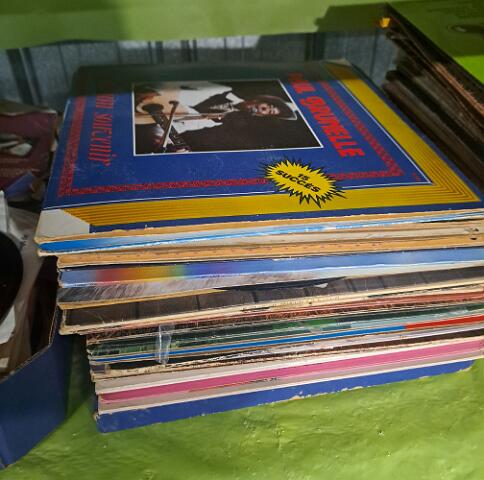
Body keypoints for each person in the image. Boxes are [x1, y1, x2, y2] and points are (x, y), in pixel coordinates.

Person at [133, 81, 298, 153]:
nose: (264, 110)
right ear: (261, 99)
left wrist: (162, 140)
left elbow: (175, 127)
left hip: (140, 116)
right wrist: (156, 90)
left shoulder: (219, 121)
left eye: (269, 112)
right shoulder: (222, 90)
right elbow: (175, 82)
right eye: (269, 106)